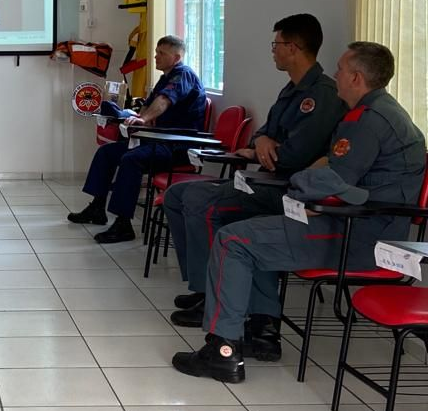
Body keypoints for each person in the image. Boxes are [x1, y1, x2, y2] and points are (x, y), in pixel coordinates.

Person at [172, 42, 425, 384]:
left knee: (234, 240)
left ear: (356, 77)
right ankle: (258, 329)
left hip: (361, 237)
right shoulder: (373, 112)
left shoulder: (370, 120)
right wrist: (307, 182)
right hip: (355, 224)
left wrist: (301, 181)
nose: (334, 74)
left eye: (340, 68)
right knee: (251, 230)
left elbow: (329, 178)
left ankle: (223, 352)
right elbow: (331, 171)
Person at [163, 14, 347, 341]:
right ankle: (205, 286)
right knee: (179, 196)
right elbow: (266, 133)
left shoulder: (322, 94)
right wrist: (261, 142)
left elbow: (293, 155)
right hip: (267, 180)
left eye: (275, 45)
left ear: (293, 47)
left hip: (289, 189)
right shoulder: (292, 89)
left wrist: (265, 147)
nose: (272, 51)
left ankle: (214, 295)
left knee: (199, 201)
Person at [68, 36, 206, 244]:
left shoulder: (183, 75)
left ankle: (123, 224)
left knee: (131, 159)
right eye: (156, 51)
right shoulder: (165, 77)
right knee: (108, 152)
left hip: (177, 147)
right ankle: (97, 208)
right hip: (156, 140)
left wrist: (143, 119)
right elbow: (148, 105)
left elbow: (163, 101)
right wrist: (136, 120)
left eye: (162, 53)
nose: (155, 56)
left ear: (176, 57)